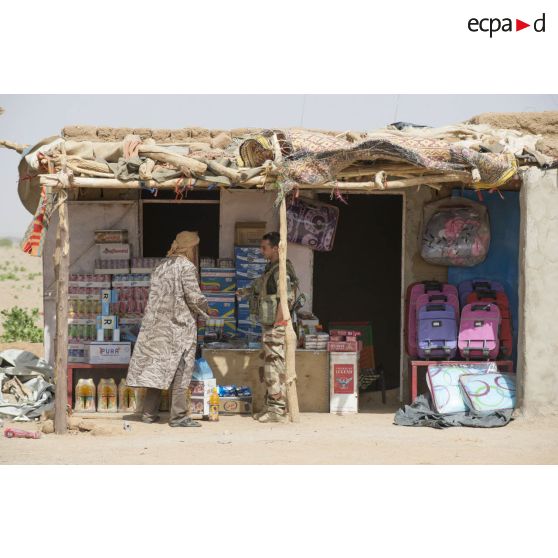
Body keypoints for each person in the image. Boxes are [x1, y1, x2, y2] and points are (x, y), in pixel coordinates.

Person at [126, 231, 210, 427]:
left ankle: (148, 414)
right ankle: (179, 416)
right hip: (178, 328)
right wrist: (207, 310)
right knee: (181, 370)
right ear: (190, 248)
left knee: (158, 369)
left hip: (157, 328)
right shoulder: (186, 267)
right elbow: (194, 297)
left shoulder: (161, 265)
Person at [238, 232, 298, 423]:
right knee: (269, 366)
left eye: (264, 248)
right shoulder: (271, 269)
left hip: (276, 326)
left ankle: (278, 410)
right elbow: (261, 287)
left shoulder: (282, 270)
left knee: (273, 367)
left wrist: (278, 324)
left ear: (275, 248)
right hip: (270, 325)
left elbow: (286, 299)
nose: (261, 251)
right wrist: (246, 292)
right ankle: (272, 405)